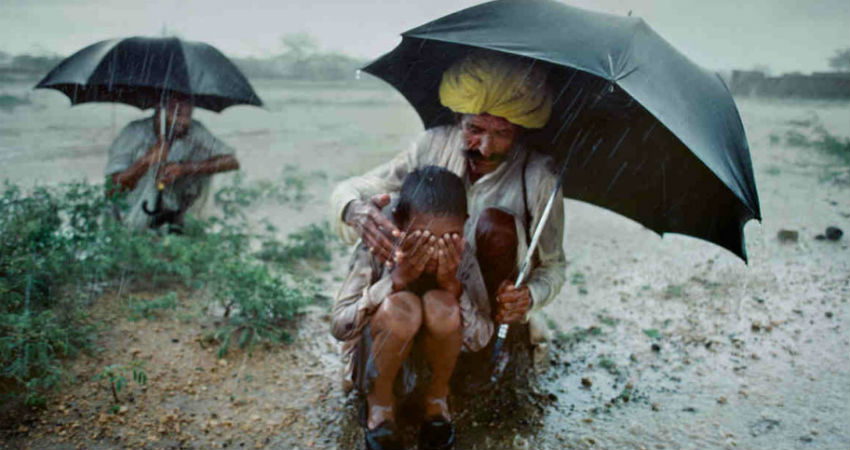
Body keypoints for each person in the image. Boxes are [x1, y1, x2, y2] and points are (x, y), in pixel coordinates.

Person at [330, 51, 567, 449]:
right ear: (459, 119)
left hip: (471, 305)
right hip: (401, 299)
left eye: (503, 133)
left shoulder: (539, 177)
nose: (486, 148)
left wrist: (528, 297)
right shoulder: (431, 148)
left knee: (496, 225)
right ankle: (383, 392)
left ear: (523, 130)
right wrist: (355, 212)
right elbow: (356, 189)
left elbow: (555, 267)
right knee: (400, 311)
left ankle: (464, 374)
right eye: (475, 129)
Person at [332, 166, 491, 450]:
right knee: (402, 309)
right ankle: (380, 405)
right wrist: (394, 281)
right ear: (400, 221)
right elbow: (340, 327)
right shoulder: (378, 248)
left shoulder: (462, 256)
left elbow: (479, 338)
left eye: (449, 238)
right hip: (374, 361)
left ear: (465, 224)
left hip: (431, 365)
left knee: (442, 306)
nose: (436, 251)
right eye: (423, 238)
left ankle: (436, 400)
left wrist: (453, 287)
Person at [105, 94, 240, 231]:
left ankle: (189, 227)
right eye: (175, 112)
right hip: (133, 214)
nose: (183, 122)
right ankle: (136, 232)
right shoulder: (133, 133)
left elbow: (231, 161)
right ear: (160, 111)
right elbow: (111, 189)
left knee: (206, 164)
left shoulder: (195, 131)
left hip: (175, 209)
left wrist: (185, 168)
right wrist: (145, 162)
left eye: (187, 112)